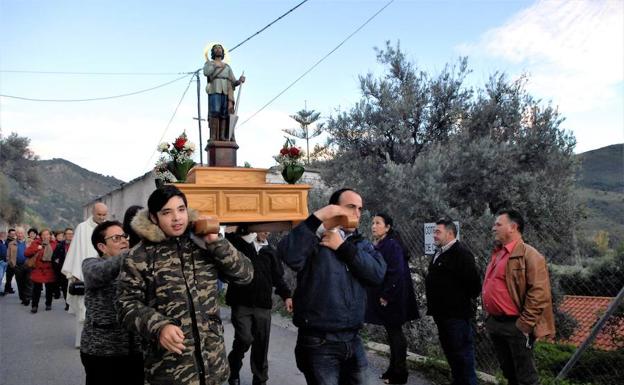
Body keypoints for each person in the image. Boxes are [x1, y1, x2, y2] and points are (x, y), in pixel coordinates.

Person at [117, 185, 254, 385]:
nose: (177, 218)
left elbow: (245, 275)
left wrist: (215, 242)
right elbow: (125, 304)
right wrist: (159, 326)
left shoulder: (203, 244)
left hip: (214, 365)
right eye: (167, 212)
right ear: (154, 218)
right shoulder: (139, 256)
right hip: (170, 371)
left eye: (181, 209)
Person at [278, 188, 386, 385]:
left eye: (360, 208)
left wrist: (343, 247)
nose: (357, 213)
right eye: (351, 207)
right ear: (333, 209)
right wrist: (317, 219)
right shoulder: (313, 237)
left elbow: (377, 274)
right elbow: (289, 255)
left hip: (353, 340)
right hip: (319, 343)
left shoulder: (358, 243)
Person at [482, 209, 555, 385]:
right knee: (509, 373)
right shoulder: (498, 253)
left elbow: (539, 293)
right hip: (496, 323)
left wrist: (524, 325)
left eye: (498, 224)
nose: (493, 228)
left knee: (526, 377)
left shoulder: (530, 255)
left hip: (516, 325)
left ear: (513, 227)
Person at [225, 229, 293, 385]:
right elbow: (229, 240)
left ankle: (260, 380)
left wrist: (286, 296)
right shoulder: (241, 244)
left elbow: (278, 278)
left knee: (261, 345)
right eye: (264, 228)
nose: (267, 232)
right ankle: (233, 369)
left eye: (269, 230)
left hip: (262, 306)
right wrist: (236, 231)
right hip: (241, 303)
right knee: (244, 339)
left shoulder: (270, 252)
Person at [80, 220, 143, 385]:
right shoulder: (91, 265)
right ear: (102, 247)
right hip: (101, 352)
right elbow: (104, 271)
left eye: (124, 236)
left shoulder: (135, 266)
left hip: (135, 350)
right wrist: (133, 252)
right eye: (116, 238)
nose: (124, 241)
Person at [425, 218, 481, 385]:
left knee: (463, 358)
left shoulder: (461, 254)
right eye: (434, 231)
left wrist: (455, 301)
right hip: (442, 316)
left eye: (438, 232)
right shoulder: (439, 252)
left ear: (450, 233)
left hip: (456, 317)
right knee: (453, 357)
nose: (434, 235)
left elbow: (474, 286)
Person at [365, 213, 419, 385]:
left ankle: (400, 374)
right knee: (392, 333)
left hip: (393, 297)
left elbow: (396, 272)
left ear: (387, 227)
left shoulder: (392, 245)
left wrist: (386, 295)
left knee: (395, 334)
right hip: (389, 296)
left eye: (378, 223)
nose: (373, 226)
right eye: (373, 223)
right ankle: (392, 370)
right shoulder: (383, 243)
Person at [62, 202, 108, 348]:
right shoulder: (82, 228)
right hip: (85, 275)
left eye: (103, 215)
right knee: (84, 311)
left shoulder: (108, 228)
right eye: (99, 214)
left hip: (104, 273)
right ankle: (81, 341)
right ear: (93, 213)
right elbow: (76, 250)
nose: (101, 217)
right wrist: (75, 272)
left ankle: (101, 341)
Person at [203, 43, 245, 141]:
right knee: (215, 112)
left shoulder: (227, 67)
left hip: (226, 91)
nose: (218, 50)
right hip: (215, 89)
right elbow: (206, 72)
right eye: (216, 49)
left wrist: (240, 80)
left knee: (224, 113)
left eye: (220, 48)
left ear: (222, 52)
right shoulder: (209, 63)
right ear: (213, 52)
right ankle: (213, 136)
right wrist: (214, 65)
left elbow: (234, 81)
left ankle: (222, 136)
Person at [25, 228, 57, 313]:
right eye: (43, 234)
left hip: (49, 269)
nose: (45, 236)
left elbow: (58, 256)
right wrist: (37, 248)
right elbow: (27, 253)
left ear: (50, 235)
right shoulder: (36, 243)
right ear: (40, 236)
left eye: (47, 234)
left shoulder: (54, 244)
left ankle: (48, 304)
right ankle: (34, 306)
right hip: (38, 269)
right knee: (36, 289)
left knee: (49, 289)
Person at [7, 227, 32, 305]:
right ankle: (22, 297)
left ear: (24, 233)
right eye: (18, 233)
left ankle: (27, 298)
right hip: (17, 266)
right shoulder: (11, 243)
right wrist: (12, 264)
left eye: (21, 233)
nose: (20, 235)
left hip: (28, 265)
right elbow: (8, 256)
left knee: (28, 282)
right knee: (20, 283)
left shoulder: (30, 242)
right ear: (16, 234)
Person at [52, 227, 74, 310]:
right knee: (65, 288)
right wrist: (59, 268)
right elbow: (54, 258)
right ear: (64, 235)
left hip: (74, 270)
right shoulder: (60, 245)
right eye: (68, 234)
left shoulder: (77, 244)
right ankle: (68, 304)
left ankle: (74, 305)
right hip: (64, 271)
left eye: (71, 234)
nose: (70, 235)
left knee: (74, 287)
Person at [2, 228, 17, 295]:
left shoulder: (14, 241)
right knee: (9, 276)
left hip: (14, 261)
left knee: (10, 276)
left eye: (14, 233)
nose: (13, 235)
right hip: (9, 261)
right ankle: (7, 289)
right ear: (9, 234)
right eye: (11, 234)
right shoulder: (7, 241)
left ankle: (8, 288)